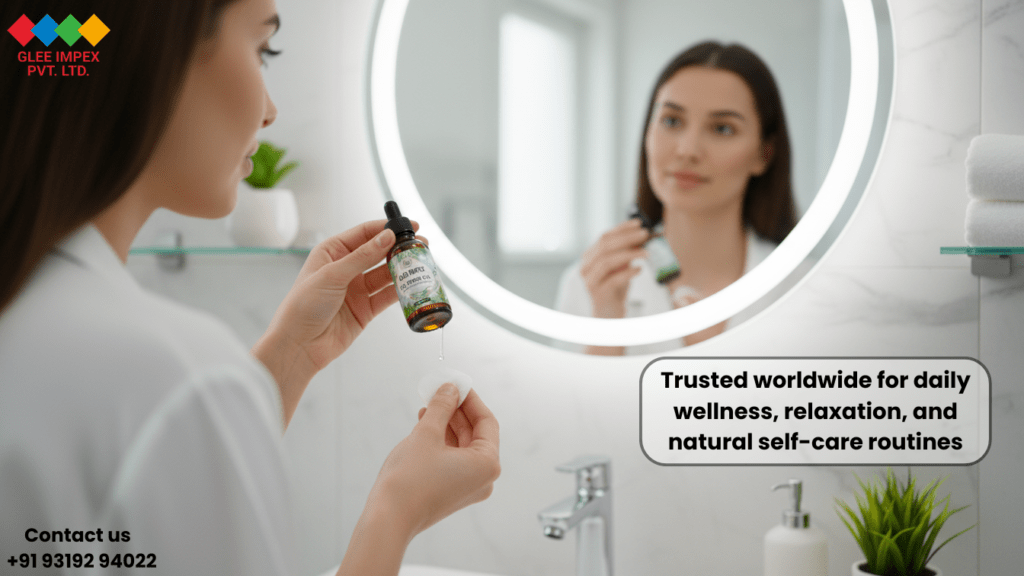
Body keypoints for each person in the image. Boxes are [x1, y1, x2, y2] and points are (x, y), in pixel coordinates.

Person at [0, 1, 500, 575]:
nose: (270, 110)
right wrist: (396, 511)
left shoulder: (34, 318)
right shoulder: (166, 374)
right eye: (264, 50)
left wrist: (289, 355)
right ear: (155, 56)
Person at [555, 41, 798, 355]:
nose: (687, 150)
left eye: (722, 128)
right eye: (671, 121)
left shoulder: (813, 290)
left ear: (764, 154)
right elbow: (568, 404)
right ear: (647, 134)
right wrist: (607, 328)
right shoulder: (588, 285)